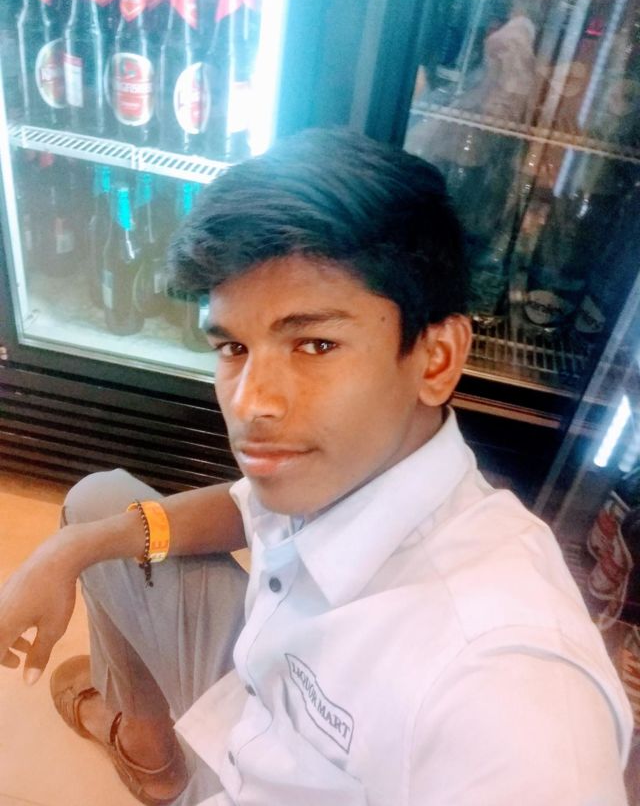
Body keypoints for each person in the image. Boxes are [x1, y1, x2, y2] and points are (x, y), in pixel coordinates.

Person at [0, 129, 633, 806]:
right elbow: (247, 506)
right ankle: (150, 751)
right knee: (98, 502)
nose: (251, 402)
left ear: (438, 358)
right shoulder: (350, 466)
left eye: (315, 344)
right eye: (234, 347)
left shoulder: (508, 689)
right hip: (255, 702)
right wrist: (74, 549)